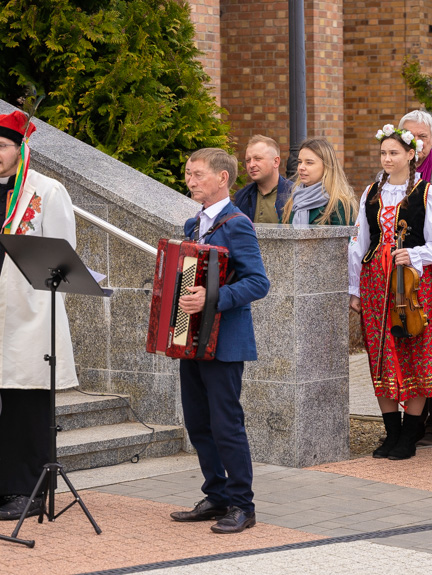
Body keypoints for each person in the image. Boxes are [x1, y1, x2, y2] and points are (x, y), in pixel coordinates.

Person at [0, 110, 77, 519]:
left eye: (1, 146)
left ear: (21, 149)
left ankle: (26, 489)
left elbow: (63, 256)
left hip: (27, 307)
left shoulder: (48, 190)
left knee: (22, 396)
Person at [169, 148, 270, 534]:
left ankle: (243, 505)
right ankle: (217, 494)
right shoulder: (193, 225)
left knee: (226, 423)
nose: (190, 180)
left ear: (222, 178)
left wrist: (213, 299)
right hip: (192, 339)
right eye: (188, 174)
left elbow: (258, 282)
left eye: (197, 174)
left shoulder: (236, 223)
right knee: (198, 422)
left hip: (224, 341)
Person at [348, 124, 432, 461]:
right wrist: (355, 290)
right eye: (383, 153)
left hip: (414, 285)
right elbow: (359, 243)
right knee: (380, 356)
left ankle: (409, 434)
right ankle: (391, 432)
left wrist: (415, 254)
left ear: (411, 155)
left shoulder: (426, 192)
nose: (387, 158)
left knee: (415, 354)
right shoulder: (371, 192)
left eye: (394, 152)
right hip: (376, 284)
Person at [396, 110, 432, 445]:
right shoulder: (391, 176)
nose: (416, 141)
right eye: (409, 135)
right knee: (407, 348)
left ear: (431, 140)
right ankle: (408, 421)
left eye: (422, 136)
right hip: (403, 282)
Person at [282, 137, 358, 225]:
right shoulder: (294, 199)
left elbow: (342, 238)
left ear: (326, 166)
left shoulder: (339, 204)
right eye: (299, 162)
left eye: (309, 162)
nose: (301, 167)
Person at [233, 135, 291, 224]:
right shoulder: (241, 197)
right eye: (248, 160)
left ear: (276, 162)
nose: (251, 165)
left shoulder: (294, 195)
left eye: (258, 159)